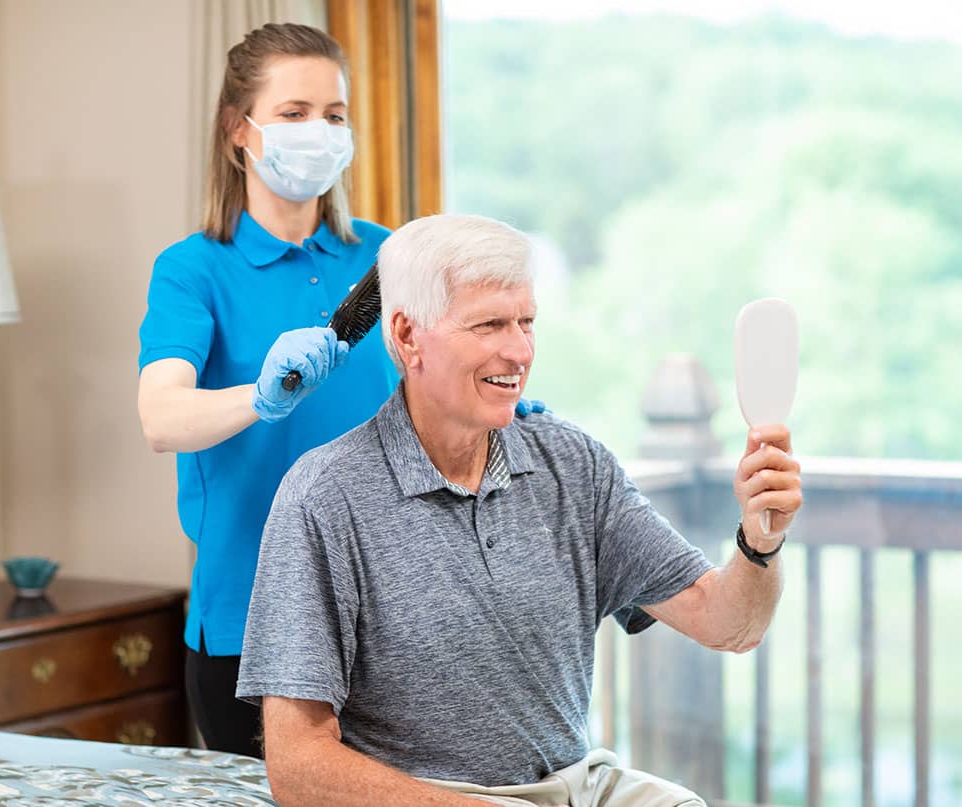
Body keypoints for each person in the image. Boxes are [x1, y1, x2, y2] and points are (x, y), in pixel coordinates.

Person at [236, 213, 804, 806]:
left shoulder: (572, 463)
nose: (520, 351)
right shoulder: (324, 497)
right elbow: (298, 768)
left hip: (575, 784)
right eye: (489, 325)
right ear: (406, 337)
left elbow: (729, 624)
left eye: (526, 322)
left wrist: (759, 540)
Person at [136, 23, 400, 758]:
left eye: (335, 114)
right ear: (237, 131)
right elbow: (160, 417)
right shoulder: (193, 271)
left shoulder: (386, 258)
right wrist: (260, 396)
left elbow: (433, 393)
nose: (320, 131)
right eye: (294, 113)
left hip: (389, 616)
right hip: (249, 625)